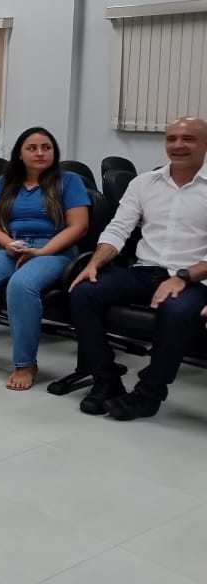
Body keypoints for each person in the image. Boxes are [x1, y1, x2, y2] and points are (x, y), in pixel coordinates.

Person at [68, 117, 207, 420]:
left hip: (195, 278)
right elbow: (118, 228)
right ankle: (106, 381)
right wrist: (95, 261)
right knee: (83, 293)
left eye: (188, 139)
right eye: (171, 138)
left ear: (205, 143)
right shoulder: (144, 183)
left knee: (176, 310)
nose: (178, 145)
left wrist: (183, 277)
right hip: (146, 270)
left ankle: (149, 394)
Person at [0, 127, 90, 389]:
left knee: (21, 285)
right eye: (32, 148)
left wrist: (42, 252)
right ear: (20, 153)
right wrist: (8, 243)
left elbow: (79, 227)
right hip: (14, 246)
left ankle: (25, 363)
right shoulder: (6, 181)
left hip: (54, 250)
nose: (40, 153)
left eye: (47, 147)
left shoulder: (70, 181)